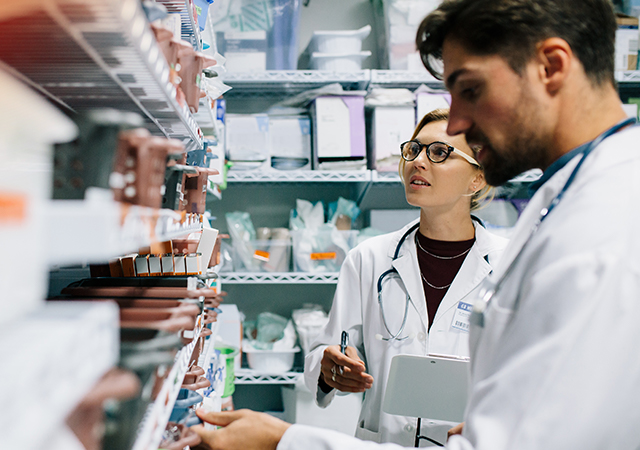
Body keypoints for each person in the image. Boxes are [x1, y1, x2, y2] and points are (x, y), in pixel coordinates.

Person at [193, 1, 640, 449]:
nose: (460, 122)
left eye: (470, 89)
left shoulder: (606, 227)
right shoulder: (568, 196)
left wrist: (284, 442)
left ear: (551, 66)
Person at [302, 108, 507, 446]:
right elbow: (324, 353)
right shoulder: (368, 260)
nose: (418, 162)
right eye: (413, 149)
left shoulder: (509, 266)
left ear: (477, 179)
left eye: (439, 152)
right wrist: (329, 369)